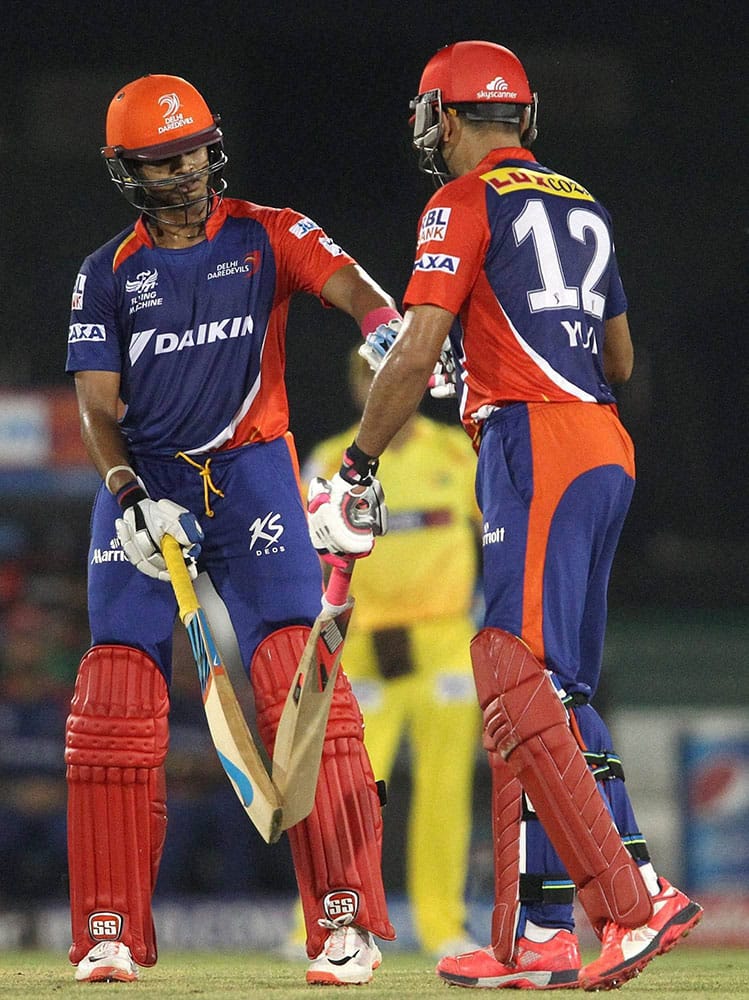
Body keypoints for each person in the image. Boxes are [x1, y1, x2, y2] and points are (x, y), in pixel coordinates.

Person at [306, 41, 703, 992]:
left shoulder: (461, 200)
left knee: (517, 676)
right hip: (604, 447)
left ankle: (638, 894)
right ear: (523, 115)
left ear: (443, 118)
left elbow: (411, 351)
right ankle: (540, 934)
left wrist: (360, 458)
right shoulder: (585, 203)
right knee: (543, 693)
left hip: (537, 444)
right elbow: (617, 360)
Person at [64, 73, 401, 985]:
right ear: (125, 170)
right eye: (160, 160)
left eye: (192, 152)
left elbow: (354, 288)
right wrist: (130, 491)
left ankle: (343, 921)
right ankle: (108, 929)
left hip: (252, 477)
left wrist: (384, 328)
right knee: (115, 699)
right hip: (145, 487)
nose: (184, 173)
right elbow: (99, 409)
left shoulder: (268, 231)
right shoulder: (106, 274)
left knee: (299, 678)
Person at [295, 346, 481, 957]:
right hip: (363, 647)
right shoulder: (328, 460)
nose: (383, 385)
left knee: (444, 790)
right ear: (355, 387)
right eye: (370, 376)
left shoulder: (459, 452)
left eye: (393, 373)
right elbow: (303, 560)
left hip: (446, 645)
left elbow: (501, 537)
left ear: (419, 382)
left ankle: (442, 925)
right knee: (348, 793)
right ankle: (328, 925)